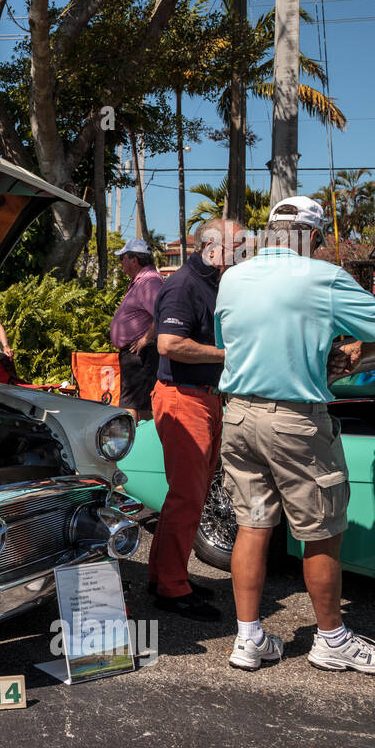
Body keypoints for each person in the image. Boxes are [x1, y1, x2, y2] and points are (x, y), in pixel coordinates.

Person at [215, 196, 375, 673]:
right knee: (322, 532)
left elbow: (230, 346)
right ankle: (331, 640)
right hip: (295, 422)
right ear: (314, 237)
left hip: (238, 418)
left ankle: (249, 639)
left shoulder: (232, 278)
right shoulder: (323, 276)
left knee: (253, 525)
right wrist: (353, 351)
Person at [147, 218, 248, 621]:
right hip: (183, 398)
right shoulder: (185, 284)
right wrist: (227, 356)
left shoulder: (211, 281)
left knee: (189, 496)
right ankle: (171, 587)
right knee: (188, 495)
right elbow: (168, 343)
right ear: (212, 247)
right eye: (237, 246)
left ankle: (166, 578)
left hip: (202, 398)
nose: (243, 253)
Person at [109, 238, 163, 419]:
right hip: (136, 354)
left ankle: (136, 446)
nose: (120, 262)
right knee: (135, 404)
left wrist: (146, 338)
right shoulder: (141, 280)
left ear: (134, 259)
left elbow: (162, 312)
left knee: (135, 406)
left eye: (122, 258)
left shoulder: (149, 281)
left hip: (142, 353)